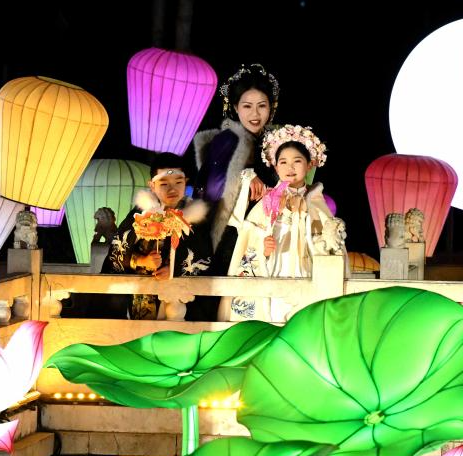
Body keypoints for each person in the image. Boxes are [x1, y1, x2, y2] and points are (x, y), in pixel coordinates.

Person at [220, 124, 338, 322]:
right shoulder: (268, 201)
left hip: (307, 276)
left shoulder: (317, 203)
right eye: (283, 162)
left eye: (297, 161)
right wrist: (263, 248)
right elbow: (248, 240)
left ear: (310, 164)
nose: (290, 168)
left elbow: (331, 247)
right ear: (275, 166)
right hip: (274, 272)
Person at [193, 64, 281, 317]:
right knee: (228, 301)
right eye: (247, 106)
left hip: (265, 234)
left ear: (271, 107)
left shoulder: (277, 142)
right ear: (234, 107)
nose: (255, 114)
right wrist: (247, 176)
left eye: (262, 106)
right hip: (230, 234)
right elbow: (213, 187)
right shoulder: (226, 141)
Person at [99, 153, 209, 319]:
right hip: (140, 296)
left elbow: (204, 258)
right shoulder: (140, 214)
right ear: (152, 185)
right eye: (164, 183)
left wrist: (174, 270)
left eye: (178, 182)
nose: (172, 189)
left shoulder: (193, 217)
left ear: (185, 181)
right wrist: (142, 260)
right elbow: (116, 253)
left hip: (177, 301)